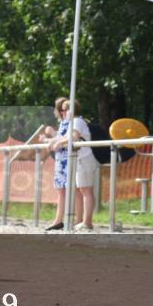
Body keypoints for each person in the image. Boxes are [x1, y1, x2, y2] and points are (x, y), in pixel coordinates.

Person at [45, 99, 98, 231]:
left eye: (65, 109)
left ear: (71, 110)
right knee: (83, 190)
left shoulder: (77, 121)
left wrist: (57, 142)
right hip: (80, 158)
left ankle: (87, 222)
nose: (63, 112)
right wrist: (56, 141)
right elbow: (68, 137)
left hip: (83, 158)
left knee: (86, 190)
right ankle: (84, 221)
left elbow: (73, 137)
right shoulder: (74, 122)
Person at [40, 97, 69, 230]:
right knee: (61, 191)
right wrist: (48, 139)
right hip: (61, 159)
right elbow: (61, 138)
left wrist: (51, 135)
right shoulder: (64, 123)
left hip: (65, 159)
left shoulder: (69, 122)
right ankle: (59, 219)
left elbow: (63, 139)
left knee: (64, 191)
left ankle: (63, 219)